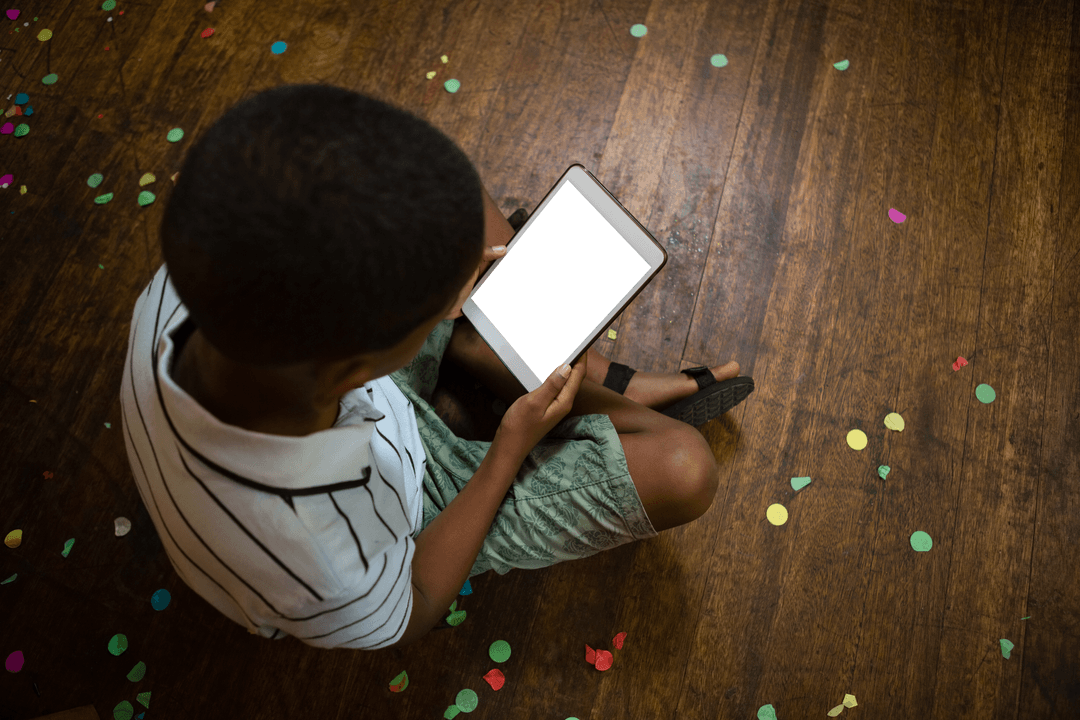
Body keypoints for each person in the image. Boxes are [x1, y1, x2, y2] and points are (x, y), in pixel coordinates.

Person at [119, 84, 746, 650]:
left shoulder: (196, 281)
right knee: (683, 467)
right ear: (358, 371)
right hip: (414, 502)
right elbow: (414, 605)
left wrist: (448, 289)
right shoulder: (323, 560)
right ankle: (540, 372)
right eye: (445, 309)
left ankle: (523, 361)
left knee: (443, 194)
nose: (470, 286)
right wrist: (509, 449)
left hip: (335, 392)